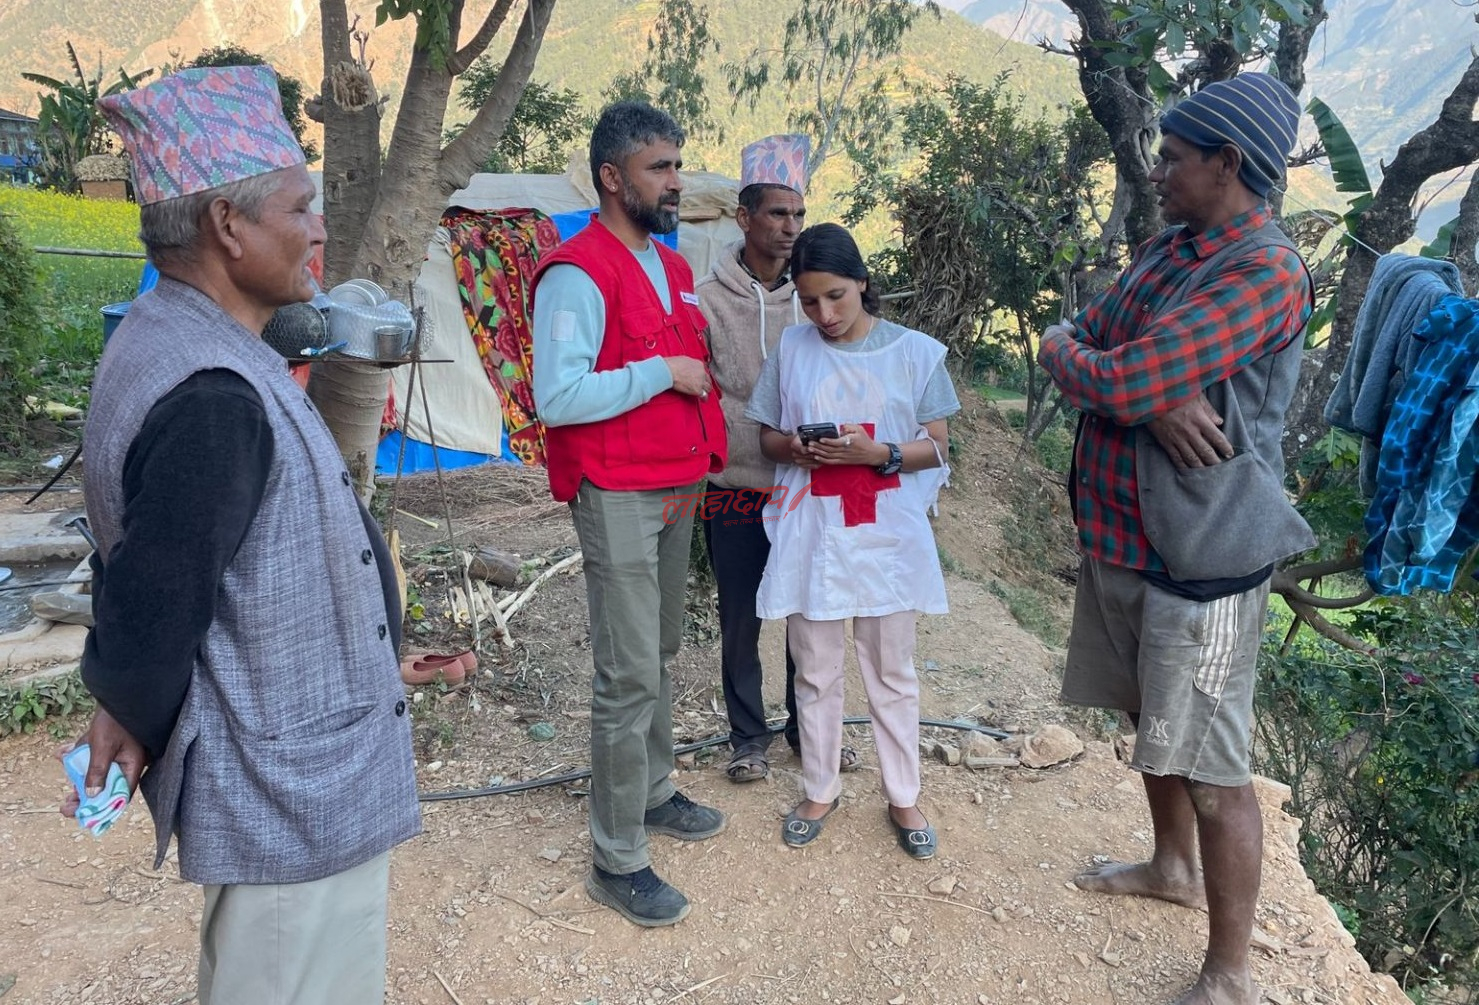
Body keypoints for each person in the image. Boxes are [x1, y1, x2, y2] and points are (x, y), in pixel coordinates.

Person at [68, 66, 420, 1004]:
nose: (320, 229)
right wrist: (129, 701)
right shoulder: (212, 396)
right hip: (291, 789)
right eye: (302, 208)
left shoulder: (174, 337)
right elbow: (156, 592)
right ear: (228, 226)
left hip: (296, 761)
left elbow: (194, 561)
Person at [1036, 72, 1316, 1005]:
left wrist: (1123, 384)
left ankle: (1229, 974)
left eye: (1174, 158)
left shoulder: (1263, 272)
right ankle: (1169, 867)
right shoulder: (1172, 249)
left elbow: (1112, 373)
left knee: (1212, 768)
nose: (1157, 172)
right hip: (1121, 540)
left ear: (1227, 163)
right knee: (1143, 722)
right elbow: (1084, 340)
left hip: (1203, 564)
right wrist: (1136, 389)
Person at [530, 101, 729, 927]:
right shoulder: (576, 272)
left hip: (673, 483)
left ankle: (649, 790)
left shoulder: (671, 266)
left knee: (662, 645)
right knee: (627, 672)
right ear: (612, 178)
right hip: (614, 489)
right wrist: (661, 372)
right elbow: (559, 394)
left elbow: (695, 378)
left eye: (677, 165)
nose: (675, 182)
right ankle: (617, 858)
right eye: (660, 167)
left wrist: (697, 465)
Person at [746, 222, 960, 859]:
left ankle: (903, 795)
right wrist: (797, 448)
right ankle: (820, 786)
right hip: (812, 531)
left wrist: (880, 452)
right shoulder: (792, 348)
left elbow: (938, 446)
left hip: (886, 535)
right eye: (809, 301)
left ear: (863, 283)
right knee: (814, 671)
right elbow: (765, 438)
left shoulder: (917, 353)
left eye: (836, 296)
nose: (824, 313)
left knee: (891, 672)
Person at [696, 134, 859, 783]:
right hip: (734, 480)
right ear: (744, 217)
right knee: (739, 614)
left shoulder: (813, 296)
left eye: (797, 213)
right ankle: (746, 737)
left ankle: (804, 728)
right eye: (776, 213)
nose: (790, 226)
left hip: (805, 484)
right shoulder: (708, 299)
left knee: (807, 611)